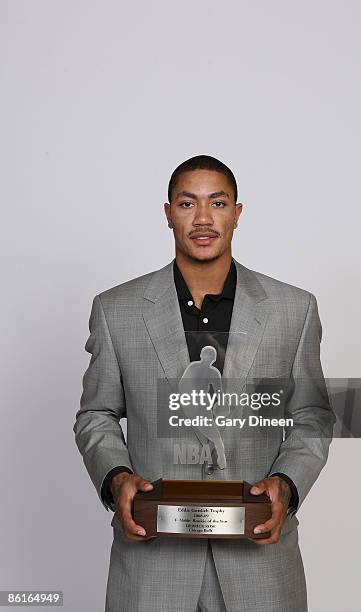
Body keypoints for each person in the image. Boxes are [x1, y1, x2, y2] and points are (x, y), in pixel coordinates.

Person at [73, 154, 336, 612]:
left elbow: (310, 416)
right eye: (187, 203)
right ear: (168, 213)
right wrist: (116, 478)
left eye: (217, 202)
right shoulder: (116, 310)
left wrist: (287, 485)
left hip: (260, 565)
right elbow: (97, 413)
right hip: (153, 566)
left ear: (237, 212)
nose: (203, 218)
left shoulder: (294, 309)